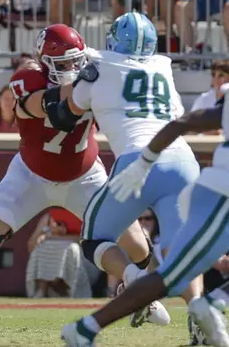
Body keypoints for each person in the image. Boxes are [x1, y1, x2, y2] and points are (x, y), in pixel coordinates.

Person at [0, 24, 155, 343]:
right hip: (30, 174)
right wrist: (84, 85)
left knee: (136, 240)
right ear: (47, 63)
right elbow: (41, 106)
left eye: (77, 61)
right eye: (65, 63)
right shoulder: (28, 79)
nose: (74, 68)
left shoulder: (92, 72)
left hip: (85, 174)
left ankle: (143, 295)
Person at [53, 13, 204, 344]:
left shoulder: (100, 66)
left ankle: (135, 279)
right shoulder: (163, 67)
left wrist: (78, 80)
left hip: (139, 162)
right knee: (183, 252)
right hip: (183, 160)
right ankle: (199, 314)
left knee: (94, 238)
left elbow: (65, 115)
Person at [61, 69, 229, 347]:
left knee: (175, 273)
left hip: (205, 183)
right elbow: (183, 123)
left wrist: (144, 163)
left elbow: (181, 123)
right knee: (171, 277)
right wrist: (142, 162)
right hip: (220, 191)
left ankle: (210, 304)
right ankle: (86, 327)